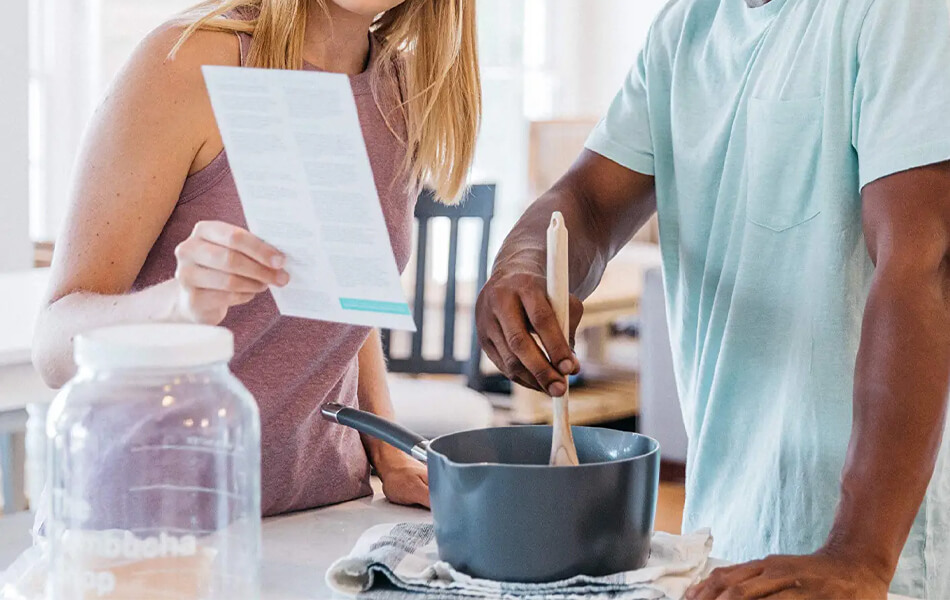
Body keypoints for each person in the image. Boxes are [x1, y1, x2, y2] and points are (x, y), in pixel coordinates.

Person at [476, 0, 950, 598]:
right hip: (726, 539)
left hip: (881, 556)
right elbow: (588, 201)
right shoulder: (684, 28)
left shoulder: (902, 12)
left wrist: (860, 553)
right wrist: (521, 265)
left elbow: (923, 265)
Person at [32, 0, 480, 516]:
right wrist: (175, 306)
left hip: (320, 516)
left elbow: (346, 296)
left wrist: (389, 449)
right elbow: (53, 347)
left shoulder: (403, 92)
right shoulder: (188, 61)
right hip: (147, 525)